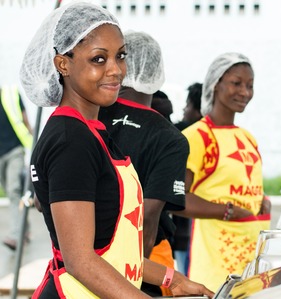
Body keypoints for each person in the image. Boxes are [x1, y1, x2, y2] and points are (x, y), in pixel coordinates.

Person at [19, 2, 212, 298]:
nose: (116, 70)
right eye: (99, 59)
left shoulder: (93, 131)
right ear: (63, 64)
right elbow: (81, 261)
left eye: (120, 56)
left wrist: (172, 278)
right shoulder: (71, 140)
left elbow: (113, 251)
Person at [98, 31, 191, 297]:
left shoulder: (87, 119)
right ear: (157, 73)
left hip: (80, 264)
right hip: (142, 268)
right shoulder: (169, 138)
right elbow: (146, 220)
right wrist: (130, 287)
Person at [175, 52, 272, 291]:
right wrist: (228, 211)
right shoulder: (197, 137)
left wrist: (262, 201)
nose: (245, 92)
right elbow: (178, 199)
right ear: (216, 84)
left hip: (252, 264)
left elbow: (242, 186)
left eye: (250, 85)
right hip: (215, 266)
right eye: (236, 83)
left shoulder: (247, 138)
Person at [171, 82, 203, 275]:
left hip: (185, 232)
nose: (184, 109)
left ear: (198, 110)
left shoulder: (184, 132)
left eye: (188, 105)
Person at [0, 84, 33, 250]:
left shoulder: (10, 93)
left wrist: (37, 145)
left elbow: (25, 120)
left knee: (14, 190)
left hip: (15, 150)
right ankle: (25, 229)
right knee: (11, 192)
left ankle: (15, 235)